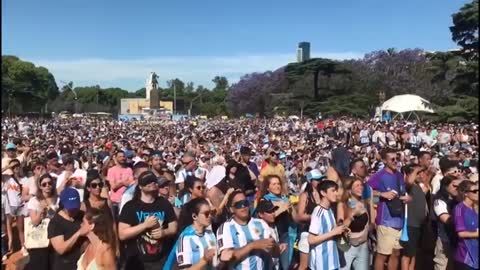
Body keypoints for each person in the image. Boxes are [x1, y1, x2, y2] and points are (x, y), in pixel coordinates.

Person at [118, 171, 178, 269]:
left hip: (161, 260)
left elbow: (173, 226)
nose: (152, 183)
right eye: (147, 181)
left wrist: (164, 232)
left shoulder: (163, 203)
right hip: (137, 262)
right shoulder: (130, 206)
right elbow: (122, 234)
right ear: (140, 186)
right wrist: (145, 225)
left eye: (154, 181)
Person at [368, 148, 411, 270]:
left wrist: (406, 198)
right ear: (384, 161)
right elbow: (366, 190)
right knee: (382, 254)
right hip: (386, 221)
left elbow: (402, 192)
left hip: (400, 220)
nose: (395, 161)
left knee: (395, 253)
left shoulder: (399, 175)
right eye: (392, 159)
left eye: (396, 158)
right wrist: (382, 194)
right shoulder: (379, 176)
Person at [217, 190, 280, 270]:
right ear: (231, 209)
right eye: (238, 204)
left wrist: (274, 245)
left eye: (245, 203)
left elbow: (276, 253)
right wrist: (252, 245)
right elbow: (226, 259)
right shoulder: (226, 228)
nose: (243, 206)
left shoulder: (260, 223)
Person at [167, 198, 219, 269]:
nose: (210, 216)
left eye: (211, 213)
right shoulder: (186, 237)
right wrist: (204, 260)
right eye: (206, 213)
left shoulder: (210, 234)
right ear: (194, 216)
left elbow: (216, 265)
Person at [308, 180, 348, 270]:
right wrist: (333, 232)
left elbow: (331, 231)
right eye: (333, 191)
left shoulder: (329, 209)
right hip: (321, 264)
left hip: (333, 261)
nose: (336, 193)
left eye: (336, 190)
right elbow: (311, 240)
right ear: (323, 193)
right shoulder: (318, 212)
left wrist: (341, 230)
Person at [259, 174, 295, 270]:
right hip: (273, 235)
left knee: (286, 265)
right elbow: (262, 218)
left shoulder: (285, 199)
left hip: (286, 234)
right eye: (274, 184)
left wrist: (291, 209)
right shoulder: (264, 200)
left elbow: (294, 219)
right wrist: (281, 209)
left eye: (278, 184)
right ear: (268, 188)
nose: (277, 186)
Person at [48, 187, 88, 270]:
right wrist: (78, 233)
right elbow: (60, 249)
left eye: (75, 207)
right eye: (70, 208)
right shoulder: (55, 223)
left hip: (82, 263)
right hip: (64, 265)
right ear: (63, 205)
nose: (73, 210)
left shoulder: (81, 215)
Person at [24, 173, 59, 270]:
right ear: (40, 186)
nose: (47, 186)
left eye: (49, 183)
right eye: (44, 184)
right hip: (40, 240)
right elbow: (34, 222)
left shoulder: (58, 199)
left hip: (55, 237)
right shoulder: (34, 201)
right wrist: (42, 211)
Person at [400, 165, 429, 270]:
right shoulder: (409, 186)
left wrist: (428, 174)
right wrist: (416, 169)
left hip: (418, 225)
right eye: (417, 173)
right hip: (410, 225)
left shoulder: (418, 187)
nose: (420, 175)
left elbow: (427, 186)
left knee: (413, 253)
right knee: (407, 254)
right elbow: (409, 181)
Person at [337, 177, 370, 270]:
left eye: (361, 185)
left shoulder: (363, 203)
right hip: (348, 246)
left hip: (363, 245)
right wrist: (353, 214)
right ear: (349, 190)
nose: (361, 187)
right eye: (357, 185)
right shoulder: (342, 204)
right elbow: (340, 227)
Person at [433, 175, 464, 270]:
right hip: (445, 239)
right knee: (442, 265)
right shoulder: (439, 200)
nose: (457, 189)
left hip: (457, 239)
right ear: (445, 186)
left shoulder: (459, 199)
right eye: (454, 186)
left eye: (459, 187)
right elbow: (446, 219)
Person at [295, 169, 322, 270]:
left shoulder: (323, 194)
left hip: (320, 234)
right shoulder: (305, 196)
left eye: (321, 179)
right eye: (317, 179)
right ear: (311, 181)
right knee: (304, 265)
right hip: (307, 232)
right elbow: (300, 216)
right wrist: (314, 216)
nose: (319, 181)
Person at [453, 180, 478, 270]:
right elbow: (461, 233)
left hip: (476, 254)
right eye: (475, 191)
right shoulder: (459, 209)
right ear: (466, 193)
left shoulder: (475, 209)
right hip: (465, 256)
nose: (477, 193)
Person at [4, 159, 28, 254]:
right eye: (14, 167)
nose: (16, 168)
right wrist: (8, 167)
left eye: (17, 165)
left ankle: (23, 246)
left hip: (20, 206)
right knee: (8, 227)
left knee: (20, 228)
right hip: (10, 206)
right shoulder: (7, 178)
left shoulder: (25, 179)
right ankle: (10, 245)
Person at [256, 199, 288, 270]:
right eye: (269, 212)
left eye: (273, 210)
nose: (273, 213)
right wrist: (279, 248)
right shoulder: (259, 228)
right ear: (260, 214)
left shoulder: (273, 225)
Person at [107, 150, 134, 218]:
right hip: (115, 201)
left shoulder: (129, 170)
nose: (122, 158)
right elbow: (113, 186)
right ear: (116, 158)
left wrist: (119, 182)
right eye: (120, 157)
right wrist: (124, 182)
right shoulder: (111, 170)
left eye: (123, 156)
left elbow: (131, 184)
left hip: (127, 201)